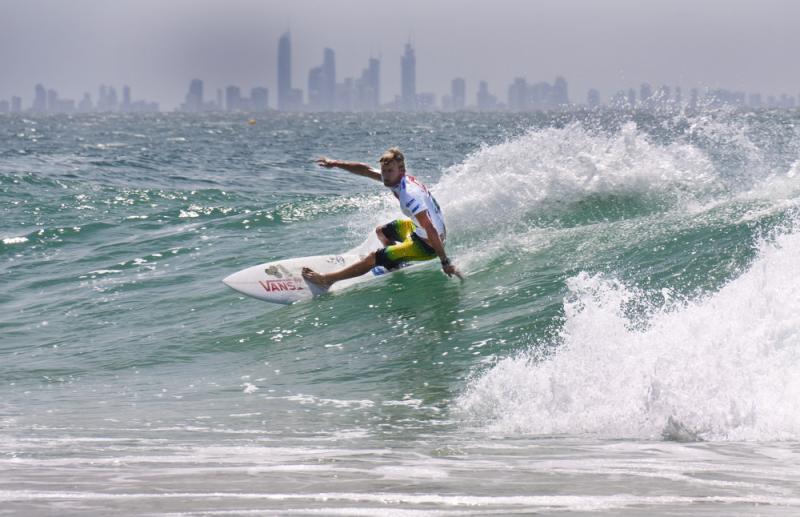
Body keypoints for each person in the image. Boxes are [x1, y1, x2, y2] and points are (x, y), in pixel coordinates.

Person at [302, 147, 462, 289]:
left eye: (389, 171)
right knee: (382, 232)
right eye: (383, 171)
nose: (384, 176)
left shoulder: (410, 195)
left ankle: (327, 280)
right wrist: (335, 163)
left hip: (428, 245)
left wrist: (445, 261)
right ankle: (394, 263)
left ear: (401, 169)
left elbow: (430, 228)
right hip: (417, 230)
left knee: (373, 258)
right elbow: (365, 170)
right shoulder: (397, 179)